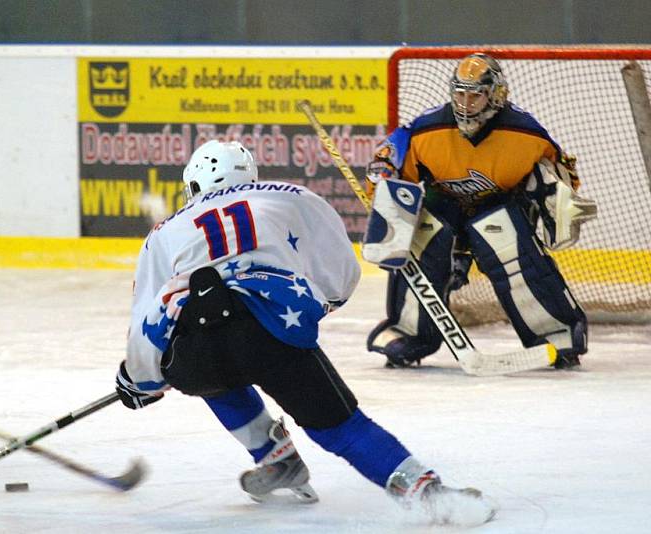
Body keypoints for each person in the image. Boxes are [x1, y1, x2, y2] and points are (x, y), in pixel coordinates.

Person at [114, 139, 495, 525]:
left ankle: (273, 457)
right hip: (270, 332)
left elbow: (149, 317)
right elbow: (341, 270)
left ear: (192, 185)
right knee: (342, 429)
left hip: (197, 350)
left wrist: (139, 378)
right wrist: (315, 303)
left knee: (206, 361)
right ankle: (427, 494)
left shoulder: (162, 234)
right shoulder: (289, 195)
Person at [362, 53, 596, 370]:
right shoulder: (427, 129)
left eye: (476, 94)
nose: (466, 103)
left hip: (499, 209)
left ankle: (556, 333)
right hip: (443, 206)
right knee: (425, 233)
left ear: (496, 94)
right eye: (460, 94)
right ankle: (409, 333)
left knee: (502, 234)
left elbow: (562, 173)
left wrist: (557, 195)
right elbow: (388, 159)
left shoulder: (526, 134)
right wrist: (381, 177)